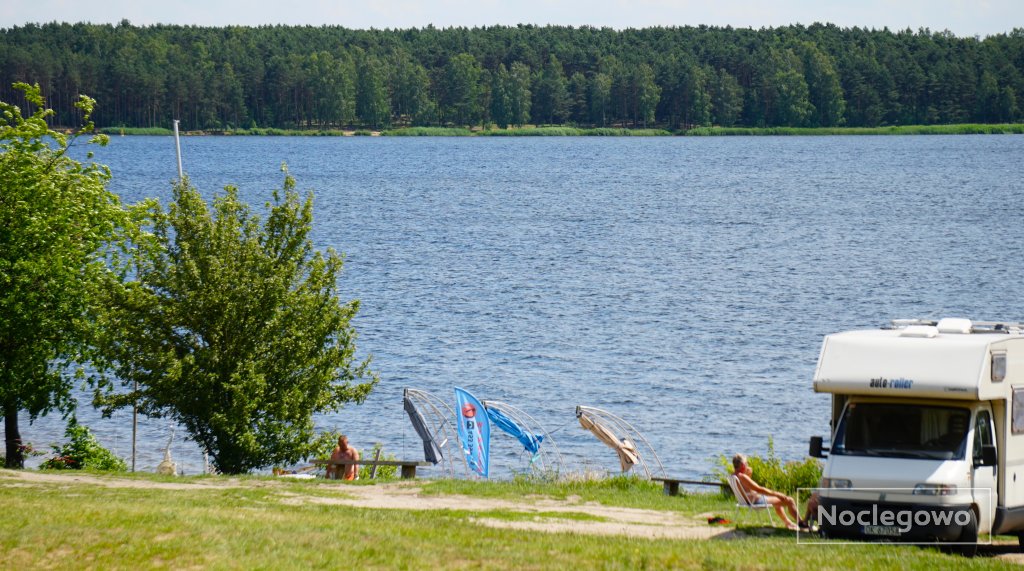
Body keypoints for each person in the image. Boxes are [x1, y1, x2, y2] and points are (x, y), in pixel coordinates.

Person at [732, 453, 803, 530]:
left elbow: (746, 487)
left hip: (747, 500)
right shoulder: (742, 476)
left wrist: (748, 475)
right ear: (743, 465)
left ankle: (788, 522)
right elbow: (759, 489)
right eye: (747, 463)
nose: (748, 465)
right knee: (789, 500)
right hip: (756, 501)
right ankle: (802, 523)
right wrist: (777, 494)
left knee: (778, 500)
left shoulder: (733, 475)